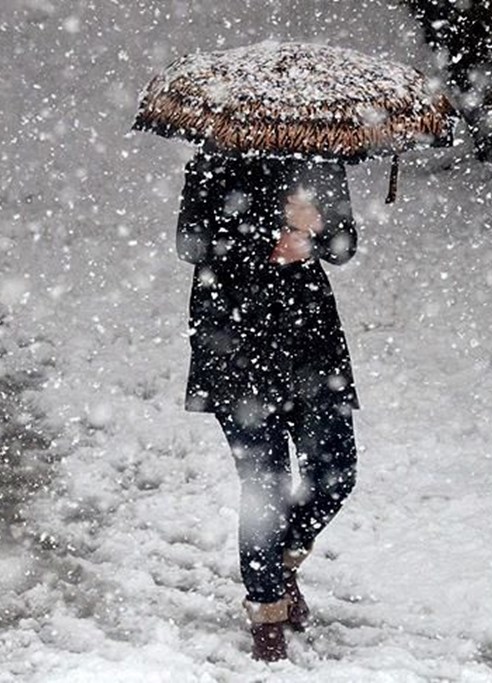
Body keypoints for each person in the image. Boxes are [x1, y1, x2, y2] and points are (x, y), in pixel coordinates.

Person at [175, 145, 360, 662]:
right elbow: (191, 243)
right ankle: (267, 616)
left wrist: (315, 232)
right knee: (266, 486)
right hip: (234, 342)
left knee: (335, 471)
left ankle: (277, 565)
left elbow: (344, 246)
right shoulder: (214, 161)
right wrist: (270, 232)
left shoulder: (320, 159)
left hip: (310, 343)